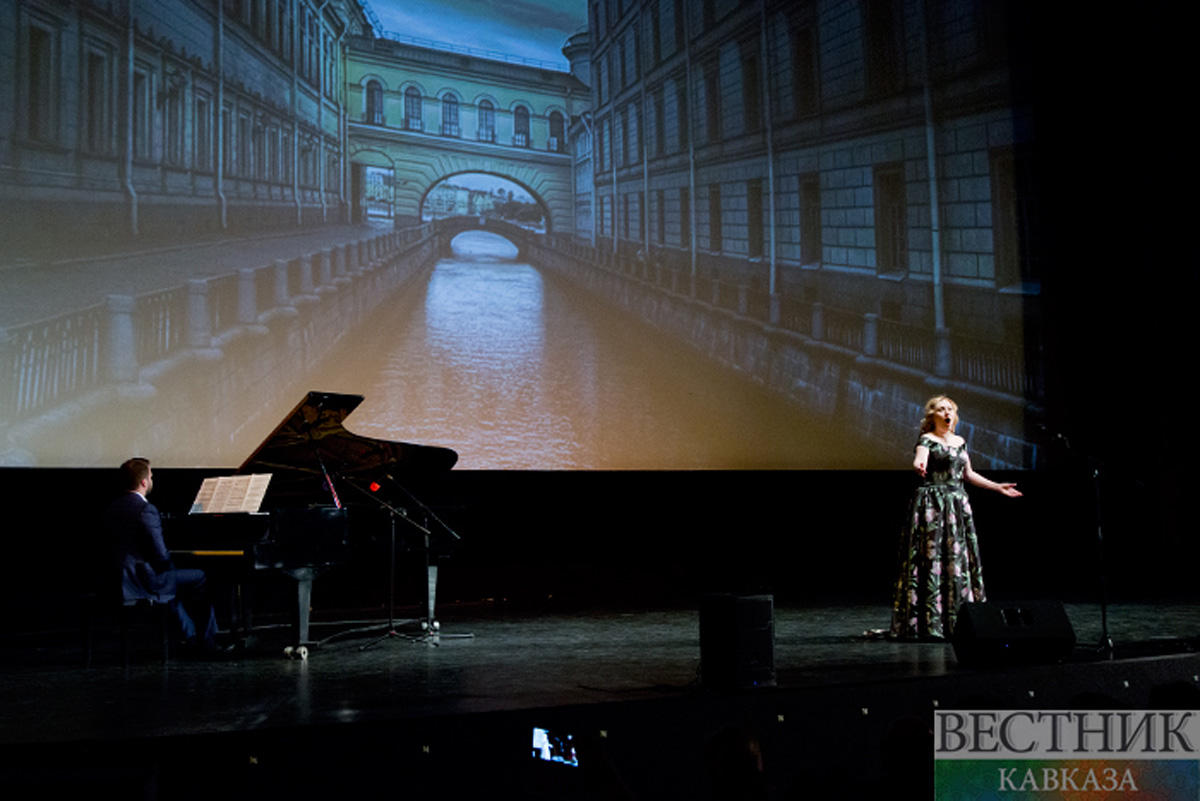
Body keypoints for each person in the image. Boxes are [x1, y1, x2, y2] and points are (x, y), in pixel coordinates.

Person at [889, 396, 1021, 640]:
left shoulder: (960, 442)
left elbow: (968, 474)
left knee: (956, 560)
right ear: (932, 416)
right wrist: (919, 465)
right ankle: (930, 622)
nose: (947, 412)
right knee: (932, 560)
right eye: (941, 409)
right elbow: (920, 458)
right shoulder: (927, 440)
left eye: (950, 409)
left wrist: (997, 487)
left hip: (957, 505)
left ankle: (959, 621)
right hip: (933, 505)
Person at [105, 457, 221, 654]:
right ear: (143, 482)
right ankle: (209, 639)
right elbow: (159, 553)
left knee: (171, 582)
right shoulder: (145, 509)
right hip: (142, 579)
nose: (152, 479)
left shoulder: (112, 507)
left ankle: (190, 635)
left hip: (116, 578)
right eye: (150, 476)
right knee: (200, 577)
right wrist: (171, 563)